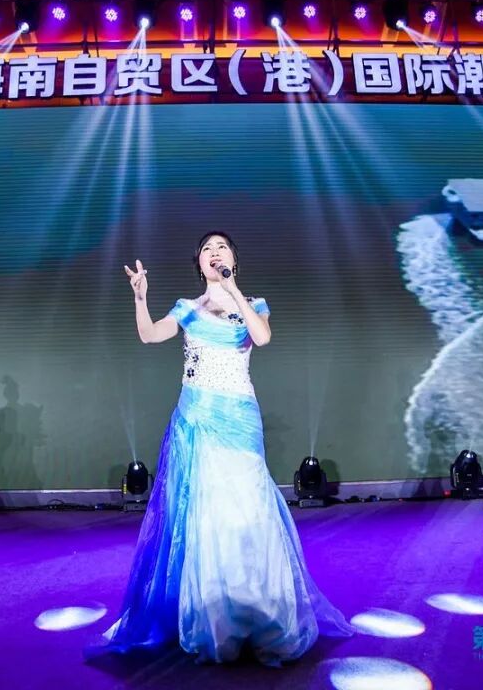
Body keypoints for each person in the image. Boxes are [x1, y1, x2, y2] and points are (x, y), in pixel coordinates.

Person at [98, 232, 351, 665]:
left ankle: (260, 612)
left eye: (223, 247)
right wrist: (140, 298)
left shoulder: (255, 304)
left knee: (248, 511)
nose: (215, 253)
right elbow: (150, 336)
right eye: (207, 249)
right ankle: (216, 618)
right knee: (208, 515)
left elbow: (262, 338)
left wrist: (233, 291)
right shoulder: (186, 308)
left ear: (234, 258)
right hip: (197, 417)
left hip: (239, 418)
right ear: (198, 263)